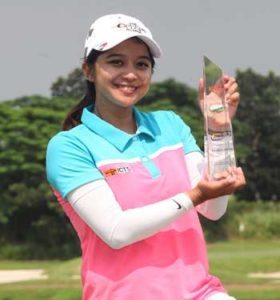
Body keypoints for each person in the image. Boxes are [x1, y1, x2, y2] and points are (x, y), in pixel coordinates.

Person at [46, 13, 245, 300]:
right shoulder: (69, 147)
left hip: (200, 292)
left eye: (142, 64)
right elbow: (116, 231)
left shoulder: (170, 125)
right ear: (88, 70)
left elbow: (213, 209)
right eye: (116, 61)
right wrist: (195, 195)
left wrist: (218, 129)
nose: (131, 73)